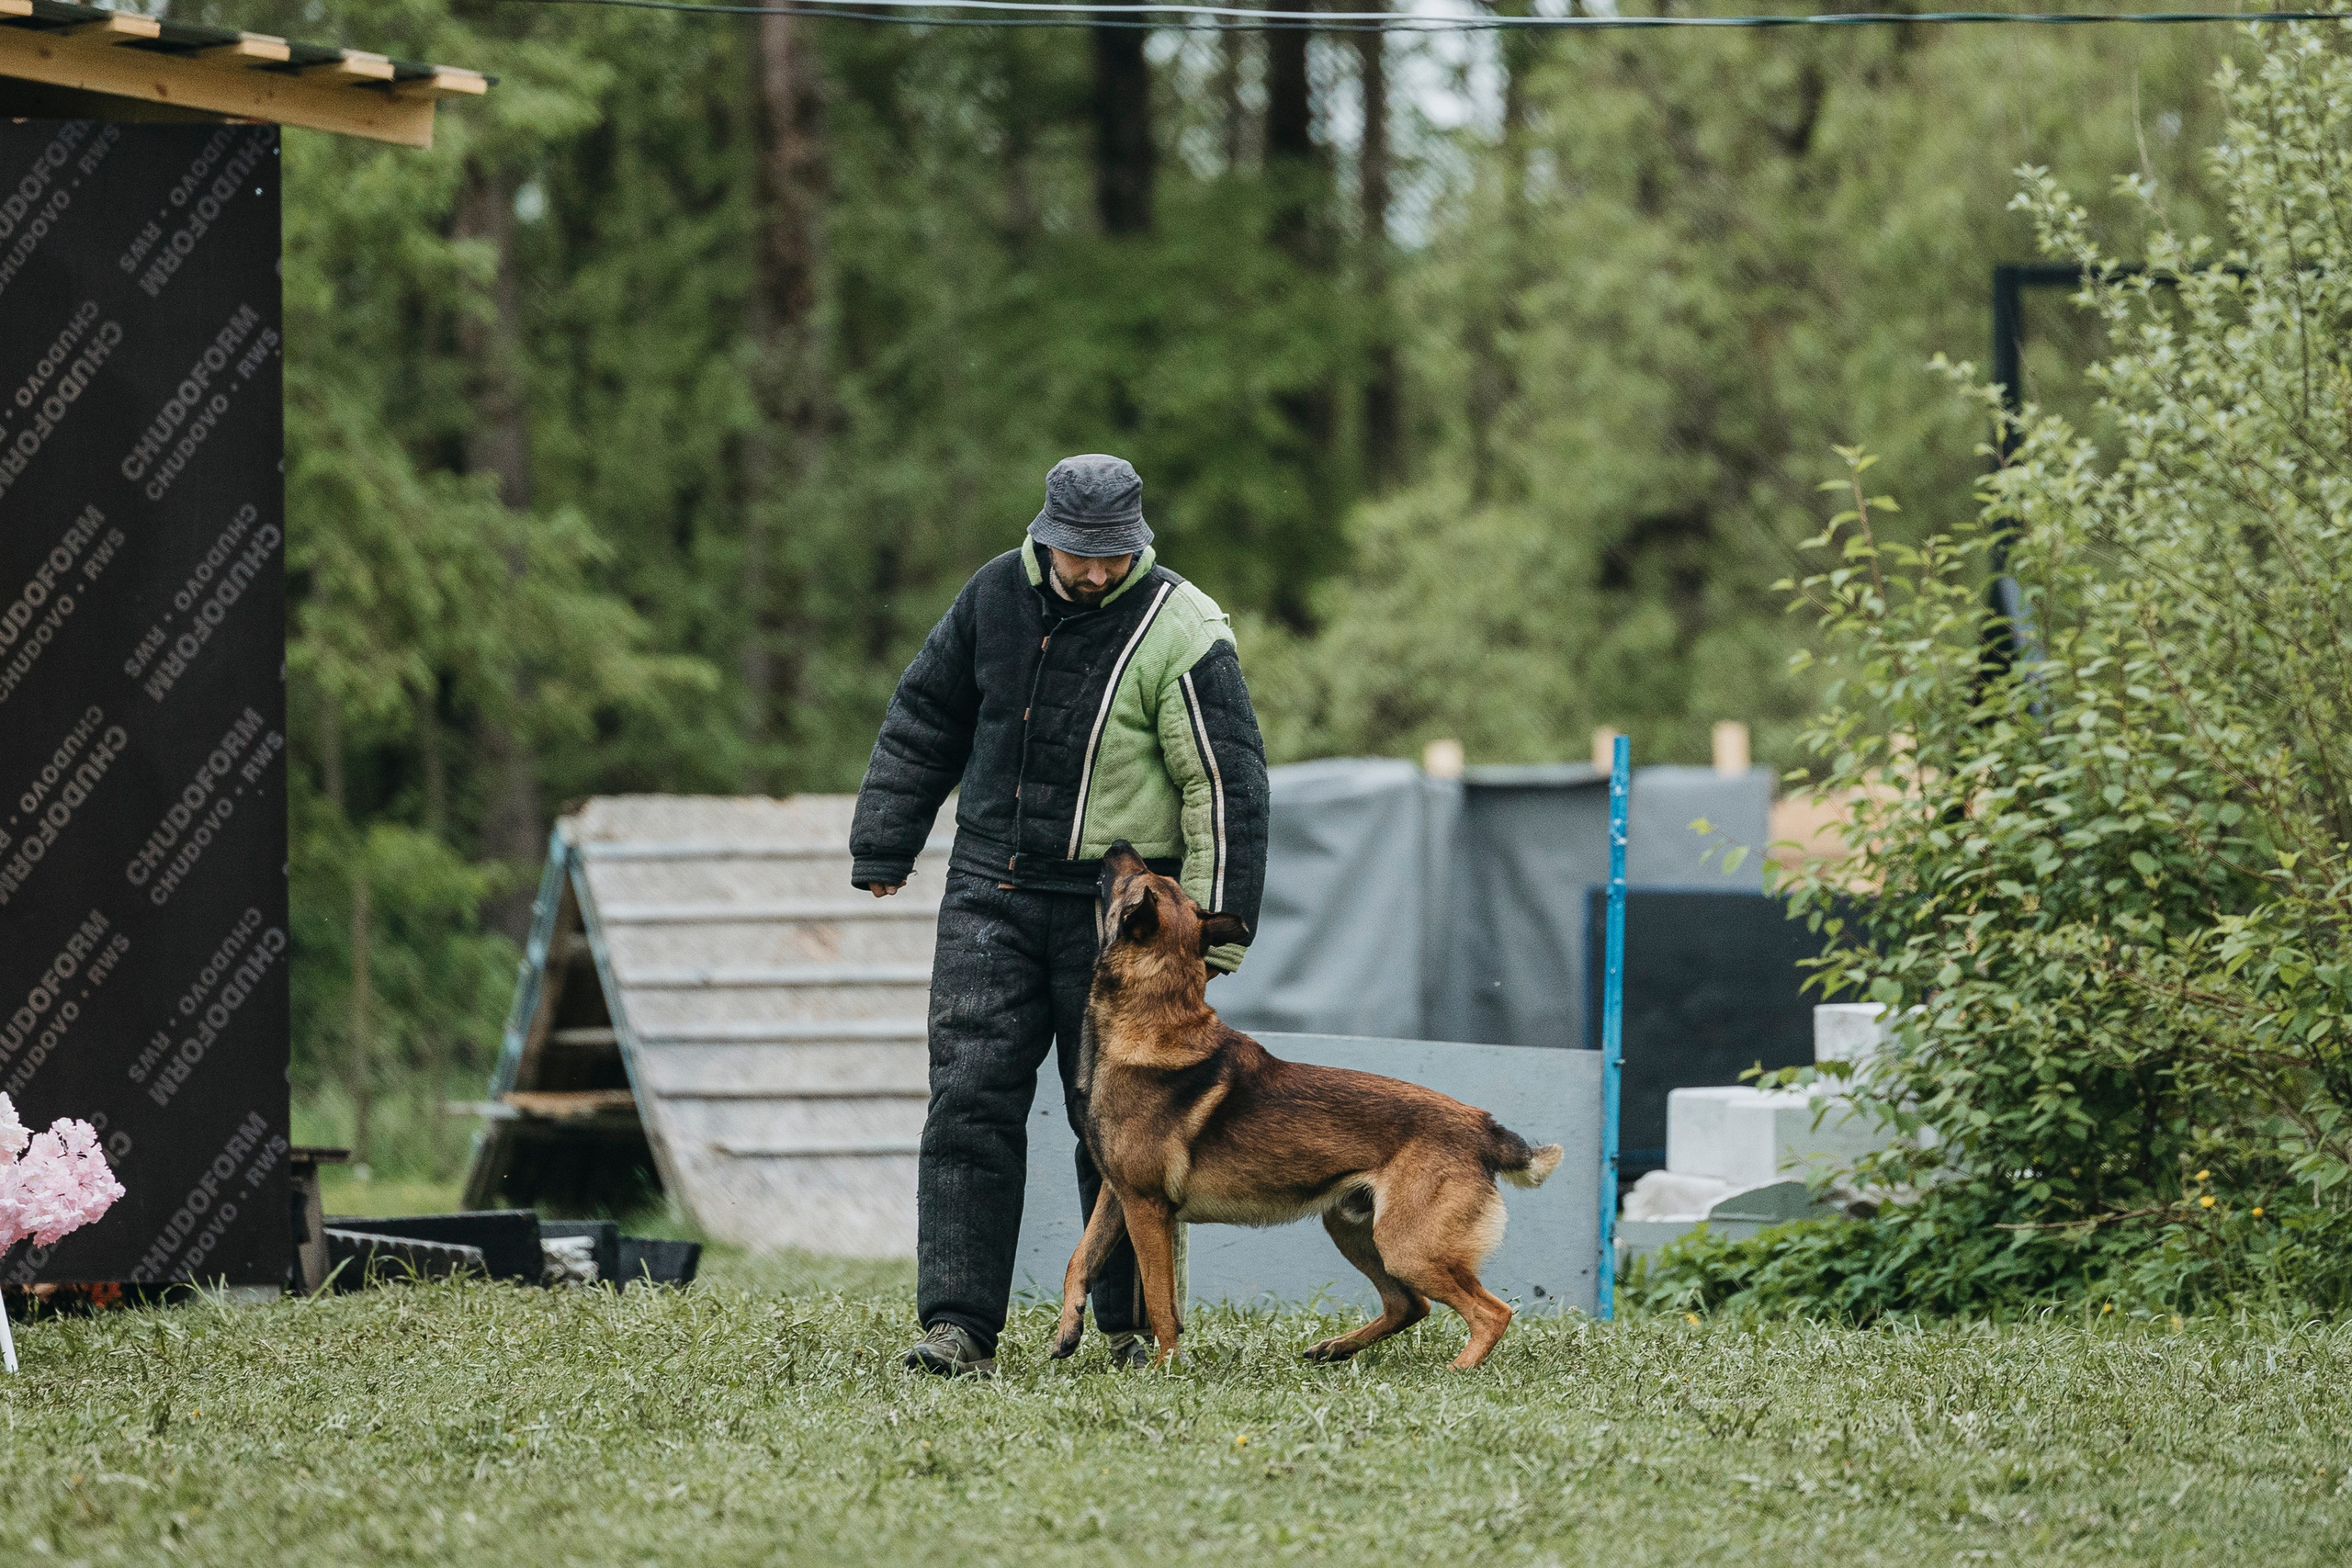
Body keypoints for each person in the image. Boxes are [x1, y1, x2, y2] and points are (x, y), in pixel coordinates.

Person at [850, 453, 1270, 1376]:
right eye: (1076, 554)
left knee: (1116, 1118)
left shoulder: (1183, 628)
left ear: (1137, 543)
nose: (1092, 572)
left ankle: (1125, 1330)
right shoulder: (991, 596)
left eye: (1111, 556)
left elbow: (1224, 784)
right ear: (1045, 536)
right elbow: (927, 714)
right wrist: (885, 842)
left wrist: (1211, 936)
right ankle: (956, 1329)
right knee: (969, 1098)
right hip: (990, 887)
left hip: (1119, 917)